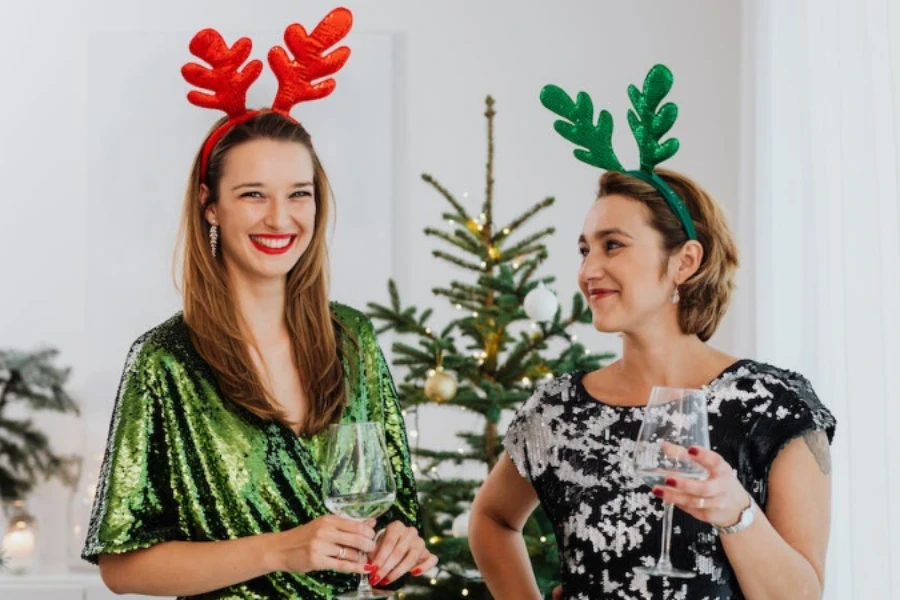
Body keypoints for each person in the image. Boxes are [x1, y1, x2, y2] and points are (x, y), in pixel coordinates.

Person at [82, 9, 436, 598]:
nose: (280, 218)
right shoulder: (165, 362)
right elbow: (122, 566)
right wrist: (283, 548)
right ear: (210, 205)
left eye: (299, 194)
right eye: (253, 195)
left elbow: (395, 512)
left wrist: (402, 538)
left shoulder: (353, 339)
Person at [469, 65, 835, 600]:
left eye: (612, 245)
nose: (588, 268)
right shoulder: (556, 411)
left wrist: (734, 510)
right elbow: (492, 519)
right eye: (584, 248)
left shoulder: (775, 407)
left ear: (684, 261)